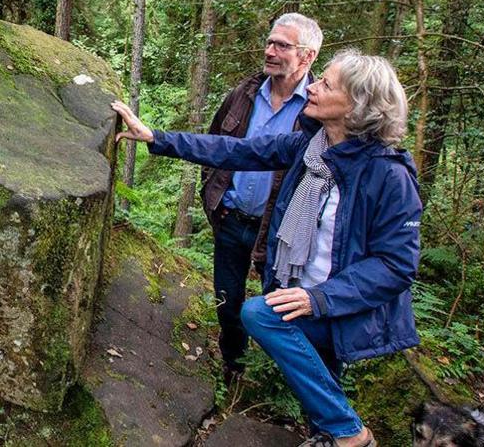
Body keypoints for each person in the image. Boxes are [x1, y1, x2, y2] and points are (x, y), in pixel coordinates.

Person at [112, 50, 421, 447]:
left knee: (260, 314)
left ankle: (350, 432)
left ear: (358, 105)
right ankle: (336, 434)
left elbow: (396, 265)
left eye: (326, 84)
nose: (312, 86)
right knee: (320, 398)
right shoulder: (312, 147)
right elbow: (238, 151)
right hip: (300, 290)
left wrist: (318, 299)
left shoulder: (389, 176)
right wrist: (158, 138)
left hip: (336, 305)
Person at [200, 13, 322, 384]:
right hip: (231, 218)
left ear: (307, 56)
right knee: (228, 300)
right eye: (269, 42)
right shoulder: (243, 94)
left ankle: (278, 379)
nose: (269, 51)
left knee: (279, 310)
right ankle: (234, 365)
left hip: (281, 233)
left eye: (281, 45)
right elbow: (215, 144)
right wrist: (214, 196)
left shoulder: (317, 109)